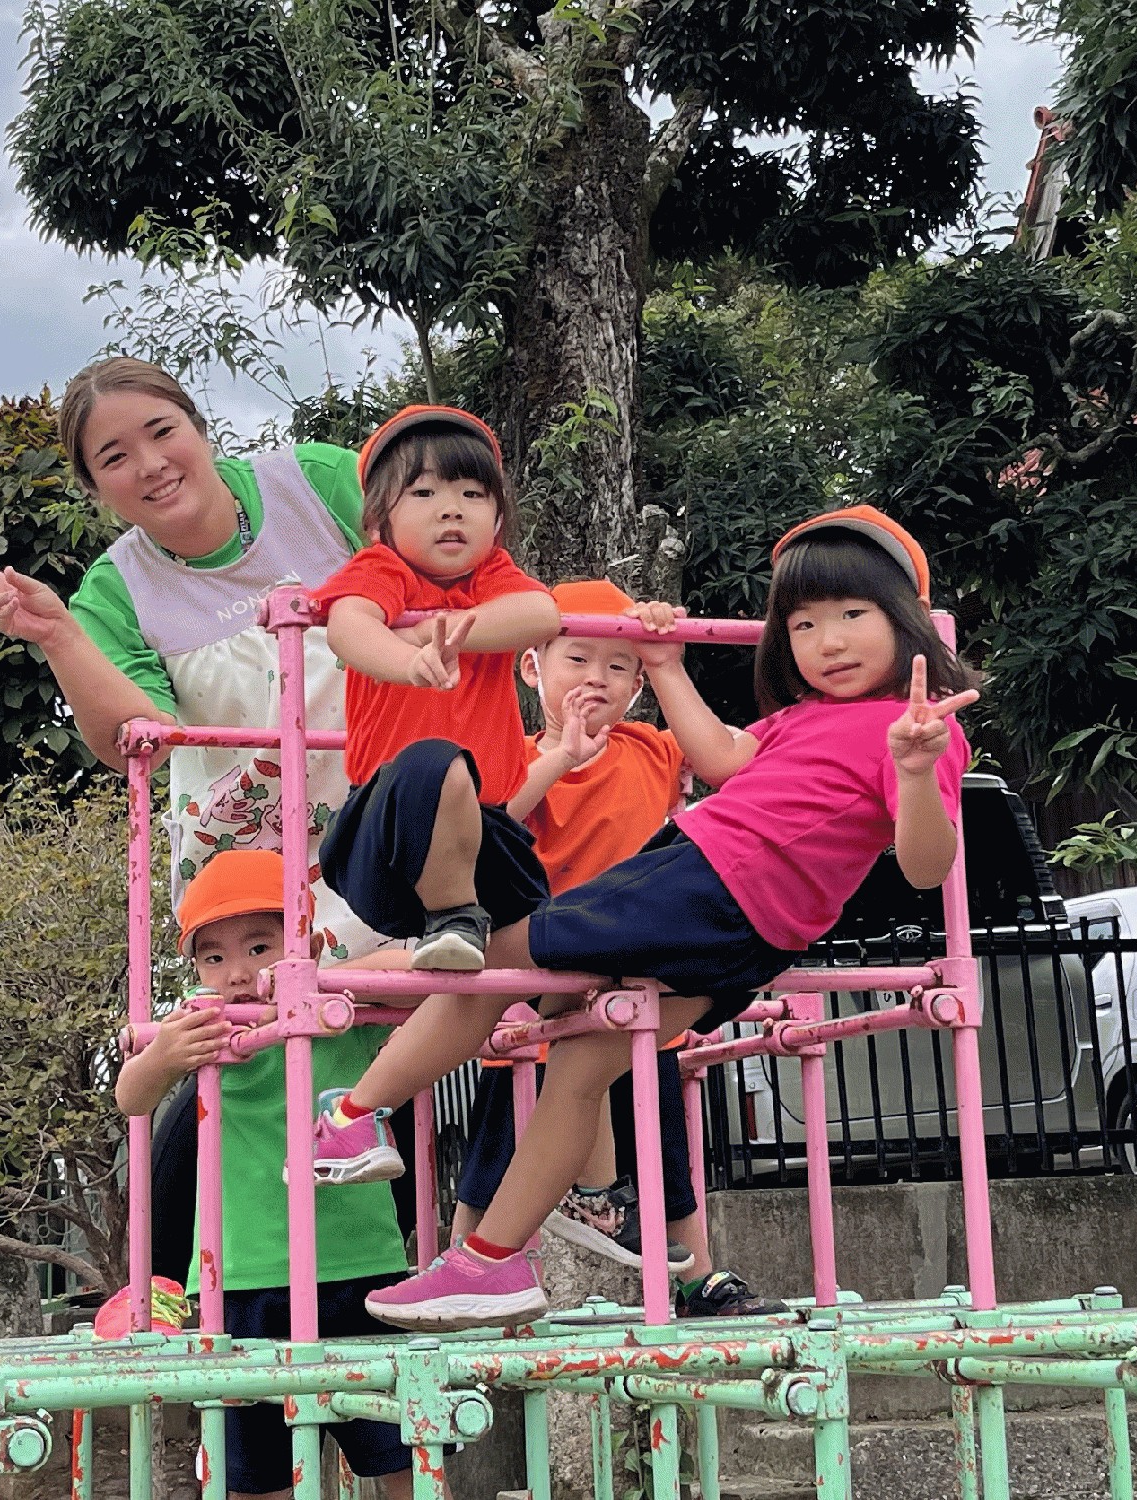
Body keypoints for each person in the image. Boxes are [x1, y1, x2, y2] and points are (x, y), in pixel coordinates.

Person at [320, 505, 982, 1330]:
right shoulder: (798, 719)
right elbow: (722, 760)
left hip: (708, 886)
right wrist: (665, 665)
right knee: (583, 1063)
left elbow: (926, 867)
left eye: (854, 615)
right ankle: (490, 1262)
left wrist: (914, 773)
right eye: (804, 624)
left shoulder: (916, 731)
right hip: (739, 923)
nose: (830, 642)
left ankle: (350, 1117)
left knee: (495, 955)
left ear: (907, 621)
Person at [0, 355, 378, 957]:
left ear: (199, 426)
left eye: (163, 431)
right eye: (115, 458)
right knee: (293, 1013)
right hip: (254, 874)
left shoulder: (318, 482)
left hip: (398, 810)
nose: (151, 465)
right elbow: (142, 745)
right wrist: (59, 637)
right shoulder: (114, 592)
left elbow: (445, 583)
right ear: (94, 488)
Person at [451, 578, 778, 1318]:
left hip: (635, 979)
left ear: (637, 685)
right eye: (577, 658)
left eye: (618, 664)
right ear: (532, 667)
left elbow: (728, 755)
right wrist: (558, 759)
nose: (596, 677)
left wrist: (668, 657)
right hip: (543, 977)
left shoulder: (655, 750)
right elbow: (491, 830)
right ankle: (457, 1264)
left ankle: (696, 1276)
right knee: (498, 1145)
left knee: (661, 1147)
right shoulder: (514, 757)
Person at [294, 405, 560, 1185]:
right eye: (426, 493)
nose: (452, 510)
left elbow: (540, 613)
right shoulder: (382, 570)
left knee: (503, 979)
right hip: (385, 833)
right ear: (380, 517)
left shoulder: (491, 580)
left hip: (484, 841)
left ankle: (352, 1114)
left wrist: (447, 629)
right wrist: (405, 658)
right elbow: (350, 628)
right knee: (438, 762)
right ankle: (451, 917)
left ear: (498, 518)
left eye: (473, 495)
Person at [114, 849, 415, 1500]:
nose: (238, 973)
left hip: (360, 1264)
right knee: (254, 1476)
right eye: (213, 957)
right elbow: (131, 1097)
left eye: (260, 947)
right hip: (241, 1280)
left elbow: (415, 971)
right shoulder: (203, 1029)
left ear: (305, 943)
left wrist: (319, 983)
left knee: (405, 1458)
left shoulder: (336, 1010)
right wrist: (165, 1056)